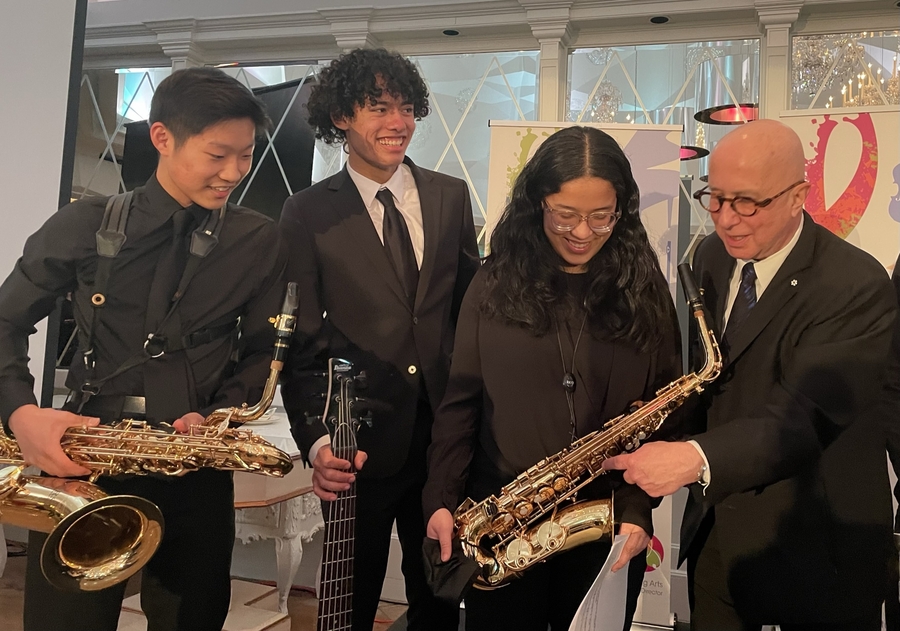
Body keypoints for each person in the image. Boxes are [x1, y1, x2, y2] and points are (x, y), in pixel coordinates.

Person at [0, 67, 287, 631]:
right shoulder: (81, 224)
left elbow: (262, 352)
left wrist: (218, 414)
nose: (234, 172)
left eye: (246, 155)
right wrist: (21, 412)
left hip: (195, 466)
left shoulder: (259, 239)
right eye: (217, 155)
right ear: (162, 138)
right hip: (82, 461)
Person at [603, 119, 897, 630]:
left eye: (747, 203)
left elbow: (802, 417)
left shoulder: (856, 283)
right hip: (719, 534)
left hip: (817, 550)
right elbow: (708, 382)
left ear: (797, 196)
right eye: (715, 198)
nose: (726, 220)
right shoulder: (711, 256)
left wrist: (693, 458)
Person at [422, 126, 682, 631]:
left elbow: (663, 414)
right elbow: (461, 406)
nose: (582, 232)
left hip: (606, 525)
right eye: (565, 215)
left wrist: (635, 508)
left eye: (601, 216)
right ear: (536, 203)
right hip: (504, 529)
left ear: (622, 209)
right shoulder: (493, 283)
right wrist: (441, 500)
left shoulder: (643, 286)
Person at [279, 48, 479, 631]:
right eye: (379, 107)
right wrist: (317, 441)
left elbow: (468, 314)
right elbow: (301, 346)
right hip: (356, 447)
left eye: (407, 108)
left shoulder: (450, 196)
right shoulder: (306, 213)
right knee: (349, 602)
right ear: (341, 116)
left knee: (439, 598)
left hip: (444, 445)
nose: (399, 122)